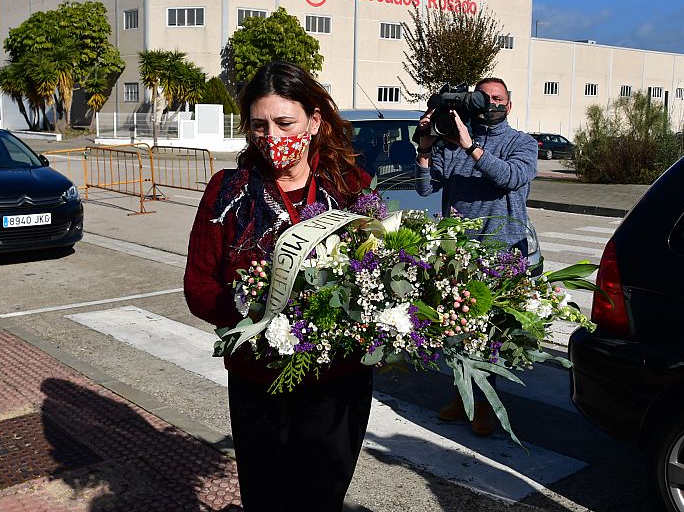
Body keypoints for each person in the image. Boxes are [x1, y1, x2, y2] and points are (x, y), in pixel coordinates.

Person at [184, 61, 373, 512]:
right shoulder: (227, 192)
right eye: (258, 125)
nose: (272, 136)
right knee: (267, 498)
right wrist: (256, 319)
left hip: (337, 380)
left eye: (284, 123)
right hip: (258, 378)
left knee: (320, 497)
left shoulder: (352, 188)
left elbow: (378, 271)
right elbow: (198, 284)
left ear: (314, 121)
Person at [414, 77, 538, 436]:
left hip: (503, 252)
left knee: (493, 334)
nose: (491, 104)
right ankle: (462, 396)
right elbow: (425, 188)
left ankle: (485, 405)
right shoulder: (451, 141)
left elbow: (512, 177)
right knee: (458, 330)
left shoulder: (522, 143)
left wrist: (470, 147)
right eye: (484, 98)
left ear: (509, 105)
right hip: (459, 252)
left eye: (498, 98)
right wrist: (425, 149)